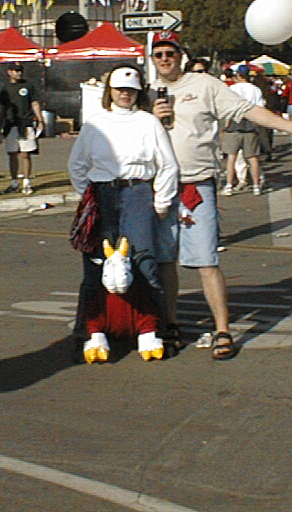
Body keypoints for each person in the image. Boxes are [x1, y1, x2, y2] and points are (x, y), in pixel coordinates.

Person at [150, 32, 292, 361]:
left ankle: (222, 329)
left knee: (206, 262)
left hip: (197, 185)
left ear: (181, 55)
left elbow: (247, 111)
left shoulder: (205, 85)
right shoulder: (146, 92)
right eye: (159, 54)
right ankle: (170, 325)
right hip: (158, 189)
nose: (165, 59)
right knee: (165, 263)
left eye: (170, 52)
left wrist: (291, 128)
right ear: (152, 59)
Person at [67, 65, 179, 362]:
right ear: (110, 92)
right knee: (96, 265)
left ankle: (156, 328)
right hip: (102, 194)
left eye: (130, 90)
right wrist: (87, 195)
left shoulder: (148, 122)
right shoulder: (95, 123)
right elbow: (76, 164)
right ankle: (88, 330)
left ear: (139, 92)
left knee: (144, 263)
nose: (125, 95)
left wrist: (161, 201)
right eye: (119, 90)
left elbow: (168, 165)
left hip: (138, 193)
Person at [0, 62, 44, 195]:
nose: (18, 73)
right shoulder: (5, 88)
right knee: (12, 154)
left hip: (26, 123)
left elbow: (35, 103)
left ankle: (27, 183)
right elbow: (1, 109)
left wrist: (40, 120)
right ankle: (14, 182)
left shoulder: (28, 86)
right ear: (9, 72)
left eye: (20, 70)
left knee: (25, 154)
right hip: (11, 124)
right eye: (15, 71)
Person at [221, 65, 266, 196]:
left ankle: (229, 185)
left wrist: (226, 126)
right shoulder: (255, 89)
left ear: (238, 75)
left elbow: (228, 109)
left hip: (235, 123)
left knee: (231, 157)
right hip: (250, 123)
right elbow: (260, 107)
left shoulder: (232, 88)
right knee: (253, 158)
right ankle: (256, 186)